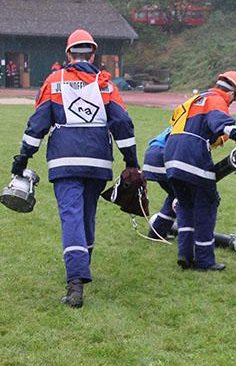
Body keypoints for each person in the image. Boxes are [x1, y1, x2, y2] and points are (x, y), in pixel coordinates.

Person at [10, 29, 143, 307]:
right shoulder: (105, 84)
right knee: (86, 215)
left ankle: (75, 283)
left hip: (65, 161)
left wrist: (24, 156)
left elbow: (38, 124)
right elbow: (122, 124)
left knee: (71, 216)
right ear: (92, 54)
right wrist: (131, 161)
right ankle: (83, 267)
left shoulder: (54, 81)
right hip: (97, 161)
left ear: (68, 54)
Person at [163, 71, 236, 271]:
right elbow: (220, 122)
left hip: (171, 155)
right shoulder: (217, 100)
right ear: (231, 94)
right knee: (207, 204)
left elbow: (178, 123)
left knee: (185, 205)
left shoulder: (194, 99)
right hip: (192, 154)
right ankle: (205, 261)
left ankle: (185, 254)